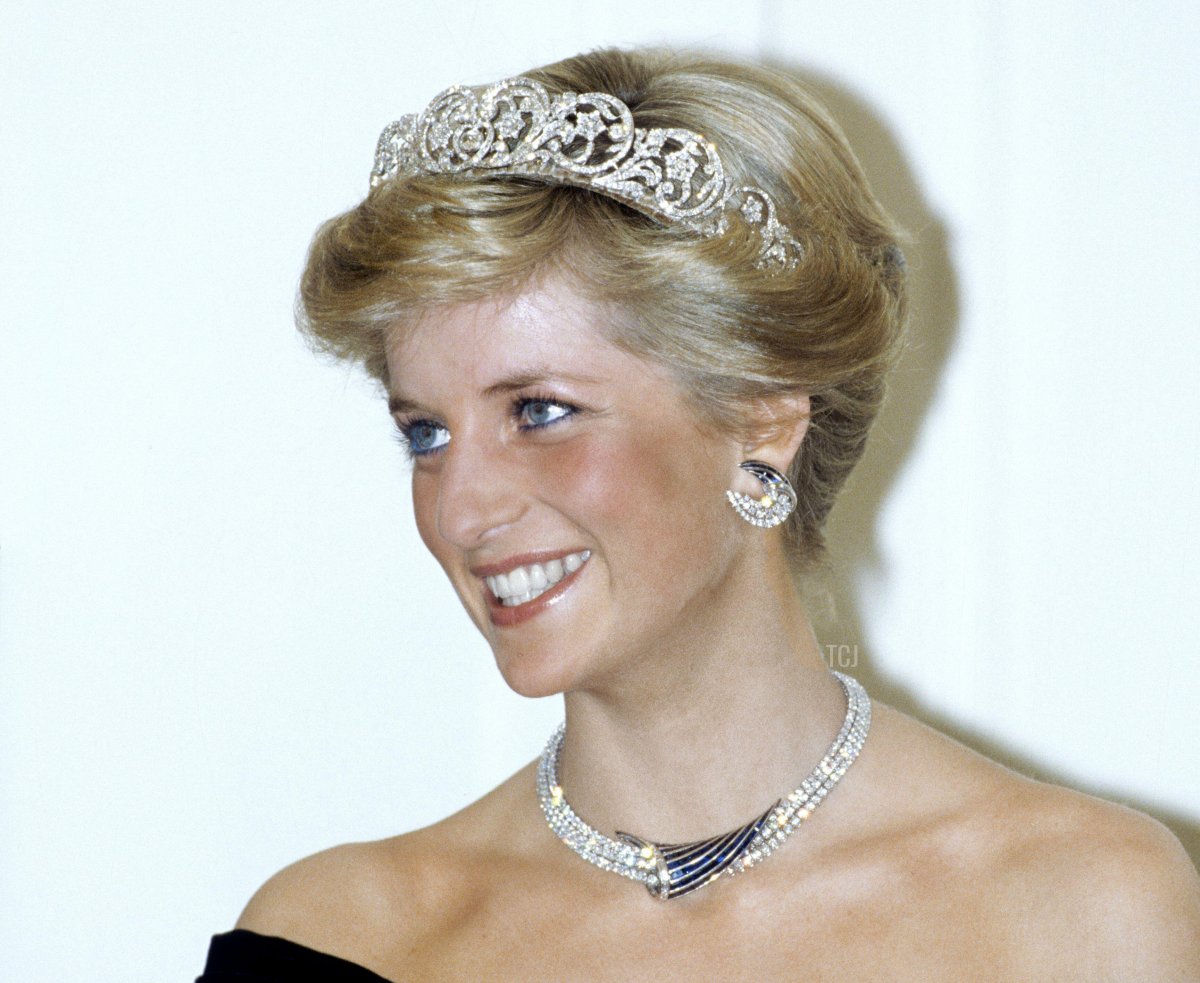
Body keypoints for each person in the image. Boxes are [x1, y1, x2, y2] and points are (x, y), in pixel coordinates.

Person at [198, 47, 1200, 980]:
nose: (460, 508)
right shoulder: (338, 936)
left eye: (538, 411)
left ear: (763, 423)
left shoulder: (1080, 912)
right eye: (426, 432)